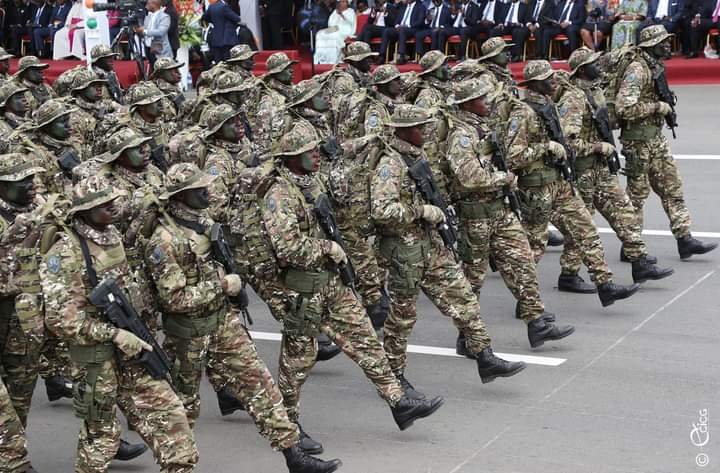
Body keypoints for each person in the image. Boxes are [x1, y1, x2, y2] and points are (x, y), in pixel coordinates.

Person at [144, 162, 344, 473]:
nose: (209, 191)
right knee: (183, 409)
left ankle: (295, 457)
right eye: (201, 188)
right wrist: (222, 285)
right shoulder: (165, 240)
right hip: (189, 334)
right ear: (182, 196)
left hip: (223, 323)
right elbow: (174, 298)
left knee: (261, 385)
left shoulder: (204, 223)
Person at [40, 174, 199, 473]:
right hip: (98, 361)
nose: (112, 207)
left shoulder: (113, 235)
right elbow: (60, 319)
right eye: (103, 204)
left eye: (113, 200)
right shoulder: (66, 251)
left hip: (135, 351)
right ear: (83, 211)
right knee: (101, 439)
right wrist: (113, 334)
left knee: (171, 416)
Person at [505, 60, 641, 306]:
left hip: (559, 183)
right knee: (534, 247)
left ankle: (605, 284)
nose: (554, 80)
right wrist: (544, 147)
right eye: (547, 78)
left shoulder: (549, 105)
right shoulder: (522, 112)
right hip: (535, 189)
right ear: (535, 84)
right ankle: (527, 304)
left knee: (586, 229)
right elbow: (513, 156)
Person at [556, 48, 675, 287]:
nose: (598, 65)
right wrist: (598, 147)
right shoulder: (573, 98)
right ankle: (568, 274)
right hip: (583, 171)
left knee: (624, 211)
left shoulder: (595, 91)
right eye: (592, 63)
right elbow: (567, 143)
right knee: (582, 225)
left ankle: (639, 262)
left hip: (600, 169)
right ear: (581, 70)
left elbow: (607, 120)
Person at [616, 25, 718, 258]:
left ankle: (684, 239)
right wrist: (657, 107)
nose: (667, 44)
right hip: (637, 143)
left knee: (672, 187)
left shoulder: (655, 67)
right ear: (651, 45)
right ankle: (630, 246)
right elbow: (624, 108)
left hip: (655, 138)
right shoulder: (637, 70)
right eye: (662, 41)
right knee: (637, 196)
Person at [0, 154, 44, 473]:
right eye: (22, 181)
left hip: (25, 319)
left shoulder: (38, 211)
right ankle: (15, 463)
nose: (31, 185)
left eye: (33, 178)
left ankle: (10, 454)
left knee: (20, 392)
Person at [378, 0, 428, 65]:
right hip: (400, 29)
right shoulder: (403, 7)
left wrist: (407, 26)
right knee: (387, 31)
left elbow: (420, 21)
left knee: (403, 30)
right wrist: (397, 26)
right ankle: (382, 56)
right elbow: (397, 20)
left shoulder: (421, 7)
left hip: (412, 29)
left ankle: (401, 56)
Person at [314, 0, 357, 64]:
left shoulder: (351, 11)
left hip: (345, 30)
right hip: (334, 28)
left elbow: (350, 24)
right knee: (320, 33)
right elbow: (330, 23)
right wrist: (337, 14)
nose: (341, 3)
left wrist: (341, 15)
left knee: (335, 35)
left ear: (347, 3)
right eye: (340, 2)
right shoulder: (335, 11)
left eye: (343, 2)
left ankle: (333, 59)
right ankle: (322, 58)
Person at [136, 0, 173, 67]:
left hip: (160, 49)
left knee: (163, 71)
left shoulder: (165, 17)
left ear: (154, 5)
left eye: (148, 4)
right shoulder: (148, 16)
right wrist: (139, 31)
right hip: (148, 48)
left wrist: (144, 31)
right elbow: (145, 28)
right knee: (153, 69)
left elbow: (161, 32)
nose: (145, 6)